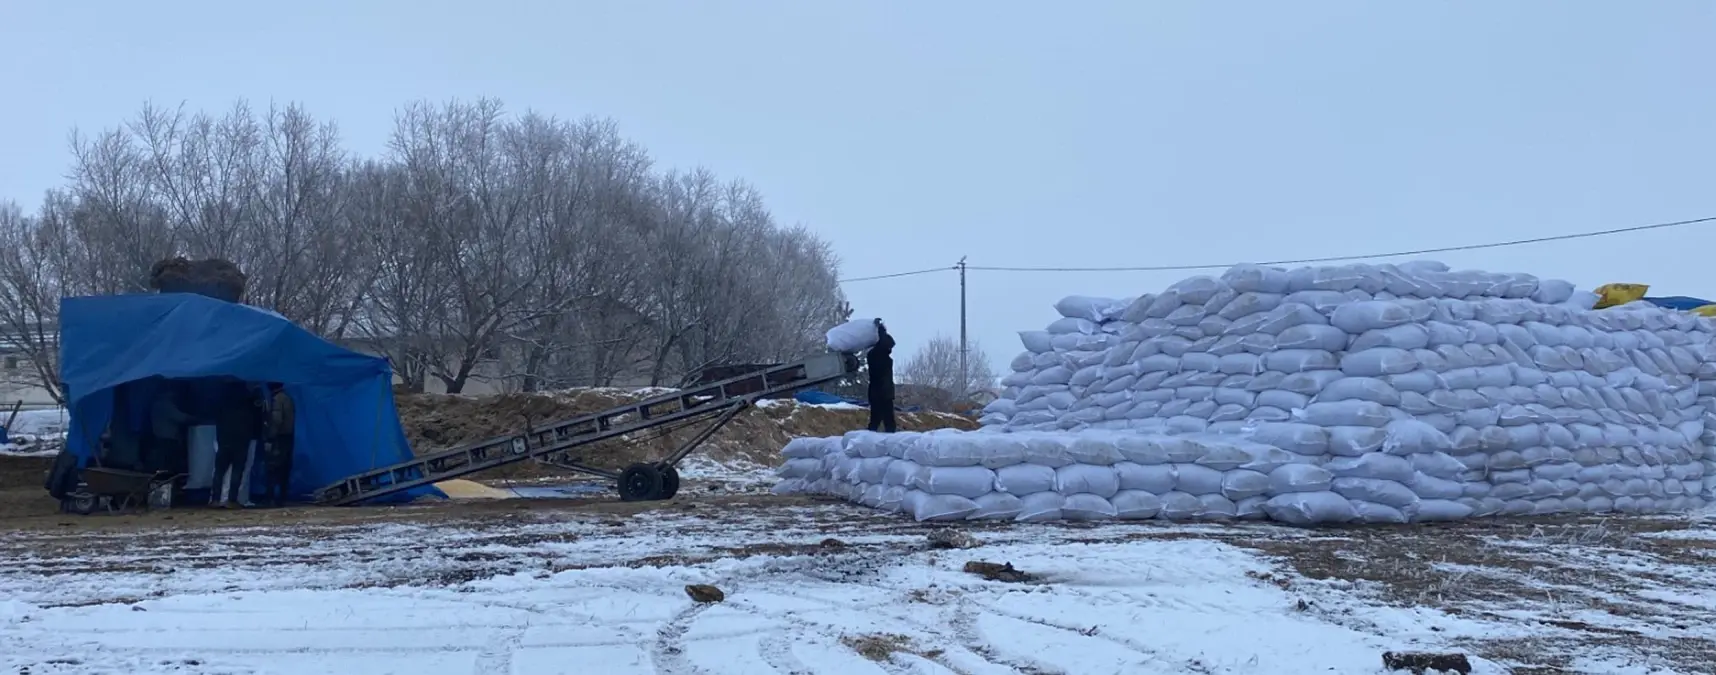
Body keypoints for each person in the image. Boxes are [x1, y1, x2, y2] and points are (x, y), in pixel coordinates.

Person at [212, 380, 264, 508]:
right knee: (237, 471)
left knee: (219, 471)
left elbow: (217, 421)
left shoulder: (223, 405)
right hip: (241, 442)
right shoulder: (248, 406)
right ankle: (232, 500)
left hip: (224, 441)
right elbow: (257, 418)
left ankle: (215, 499)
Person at [148, 383, 196, 472]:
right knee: (169, 466)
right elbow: (182, 418)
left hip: (158, 438)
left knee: (160, 464)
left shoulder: (155, 404)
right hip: (168, 441)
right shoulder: (166, 405)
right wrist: (199, 418)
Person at [262, 383, 295, 507]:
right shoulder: (288, 398)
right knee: (285, 469)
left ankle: (269, 498)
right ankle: (282, 498)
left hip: (279, 439)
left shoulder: (277, 399)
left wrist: (270, 437)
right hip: (288, 437)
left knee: (272, 468)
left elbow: (276, 420)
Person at [866, 319, 898, 433]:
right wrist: (881, 328)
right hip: (881, 393)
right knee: (883, 421)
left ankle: (869, 439)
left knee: (878, 421)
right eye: (890, 347)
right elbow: (883, 341)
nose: (890, 349)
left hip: (881, 393)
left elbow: (884, 342)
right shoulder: (876, 355)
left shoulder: (876, 355)